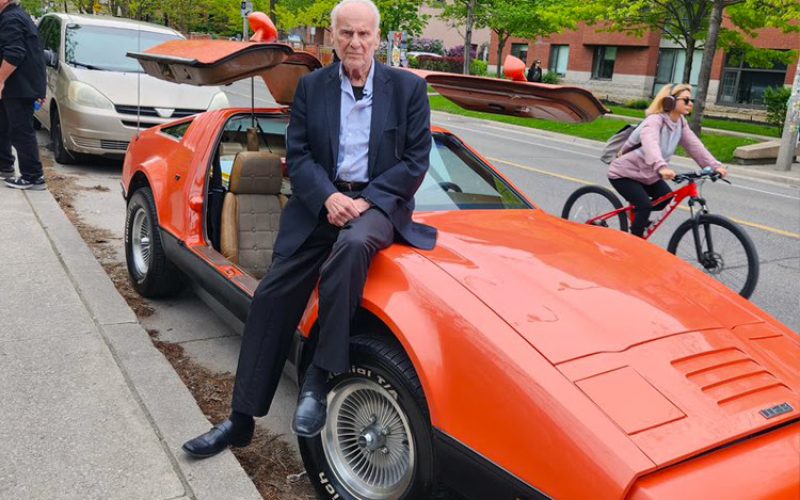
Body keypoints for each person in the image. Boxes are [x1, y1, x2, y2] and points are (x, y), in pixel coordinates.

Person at [182, 0, 436, 458]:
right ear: (333, 37)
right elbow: (298, 157)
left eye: (363, 34)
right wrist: (328, 198)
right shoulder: (313, 87)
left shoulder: (407, 90)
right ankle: (240, 421)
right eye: (346, 34)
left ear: (378, 38)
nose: (355, 43)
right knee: (271, 296)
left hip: (377, 204)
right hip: (321, 205)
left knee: (353, 247)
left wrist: (364, 200)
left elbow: (416, 161)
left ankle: (319, 374)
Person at [608, 83, 727, 237]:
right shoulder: (654, 121)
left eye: (692, 100)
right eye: (685, 100)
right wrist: (661, 167)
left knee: (666, 199)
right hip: (624, 174)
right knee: (644, 205)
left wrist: (715, 166)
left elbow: (695, 146)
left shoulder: (680, 123)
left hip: (648, 176)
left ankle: (637, 216)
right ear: (669, 101)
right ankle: (633, 242)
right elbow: (651, 143)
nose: (690, 103)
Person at [0, 0, 46, 190]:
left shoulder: (11, 19)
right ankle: (4, 166)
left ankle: (33, 177)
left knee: (21, 130)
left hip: (21, 86)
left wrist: (0, 79)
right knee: (4, 124)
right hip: (18, 85)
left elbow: (14, 53)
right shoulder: (14, 16)